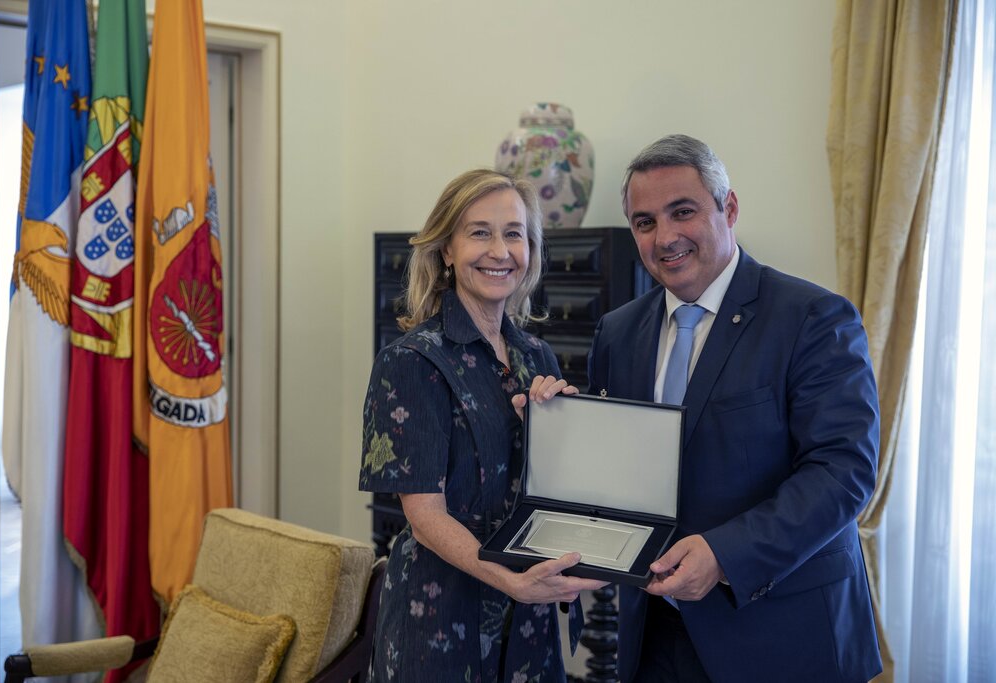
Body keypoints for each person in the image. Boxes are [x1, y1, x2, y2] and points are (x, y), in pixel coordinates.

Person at [587, 134, 883, 682]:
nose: (665, 237)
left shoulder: (813, 317)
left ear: (729, 208)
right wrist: (557, 429)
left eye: (683, 212)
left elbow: (844, 472)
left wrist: (725, 555)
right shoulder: (617, 332)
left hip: (783, 634)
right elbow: (614, 469)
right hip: (654, 635)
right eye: (645, 222)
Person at [360, 169, 606, 681]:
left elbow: (558, 494)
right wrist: (510, 581)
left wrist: (558, 435)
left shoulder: (538, 357)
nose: (500, 251)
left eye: (514, 233)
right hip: (440, 617)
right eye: (479, 233)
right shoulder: (411, 361)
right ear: (447, 250)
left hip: (530, 621)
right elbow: (425, 517)